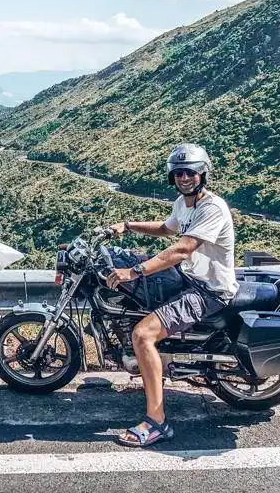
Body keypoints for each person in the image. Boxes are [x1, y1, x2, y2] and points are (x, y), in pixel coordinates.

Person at [105, 143, 239, 448]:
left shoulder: (212, 208)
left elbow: (181, 248)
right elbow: (167, 229)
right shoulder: (184, 203)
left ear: (203, 173)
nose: (184, 177)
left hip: (209, 291)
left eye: (190, 171)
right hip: (190, 279)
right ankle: (155, 364)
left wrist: (135, 271)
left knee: (143, 334)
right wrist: (127, 226)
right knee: (138, 303)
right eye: (178, 172)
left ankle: (157, 422)